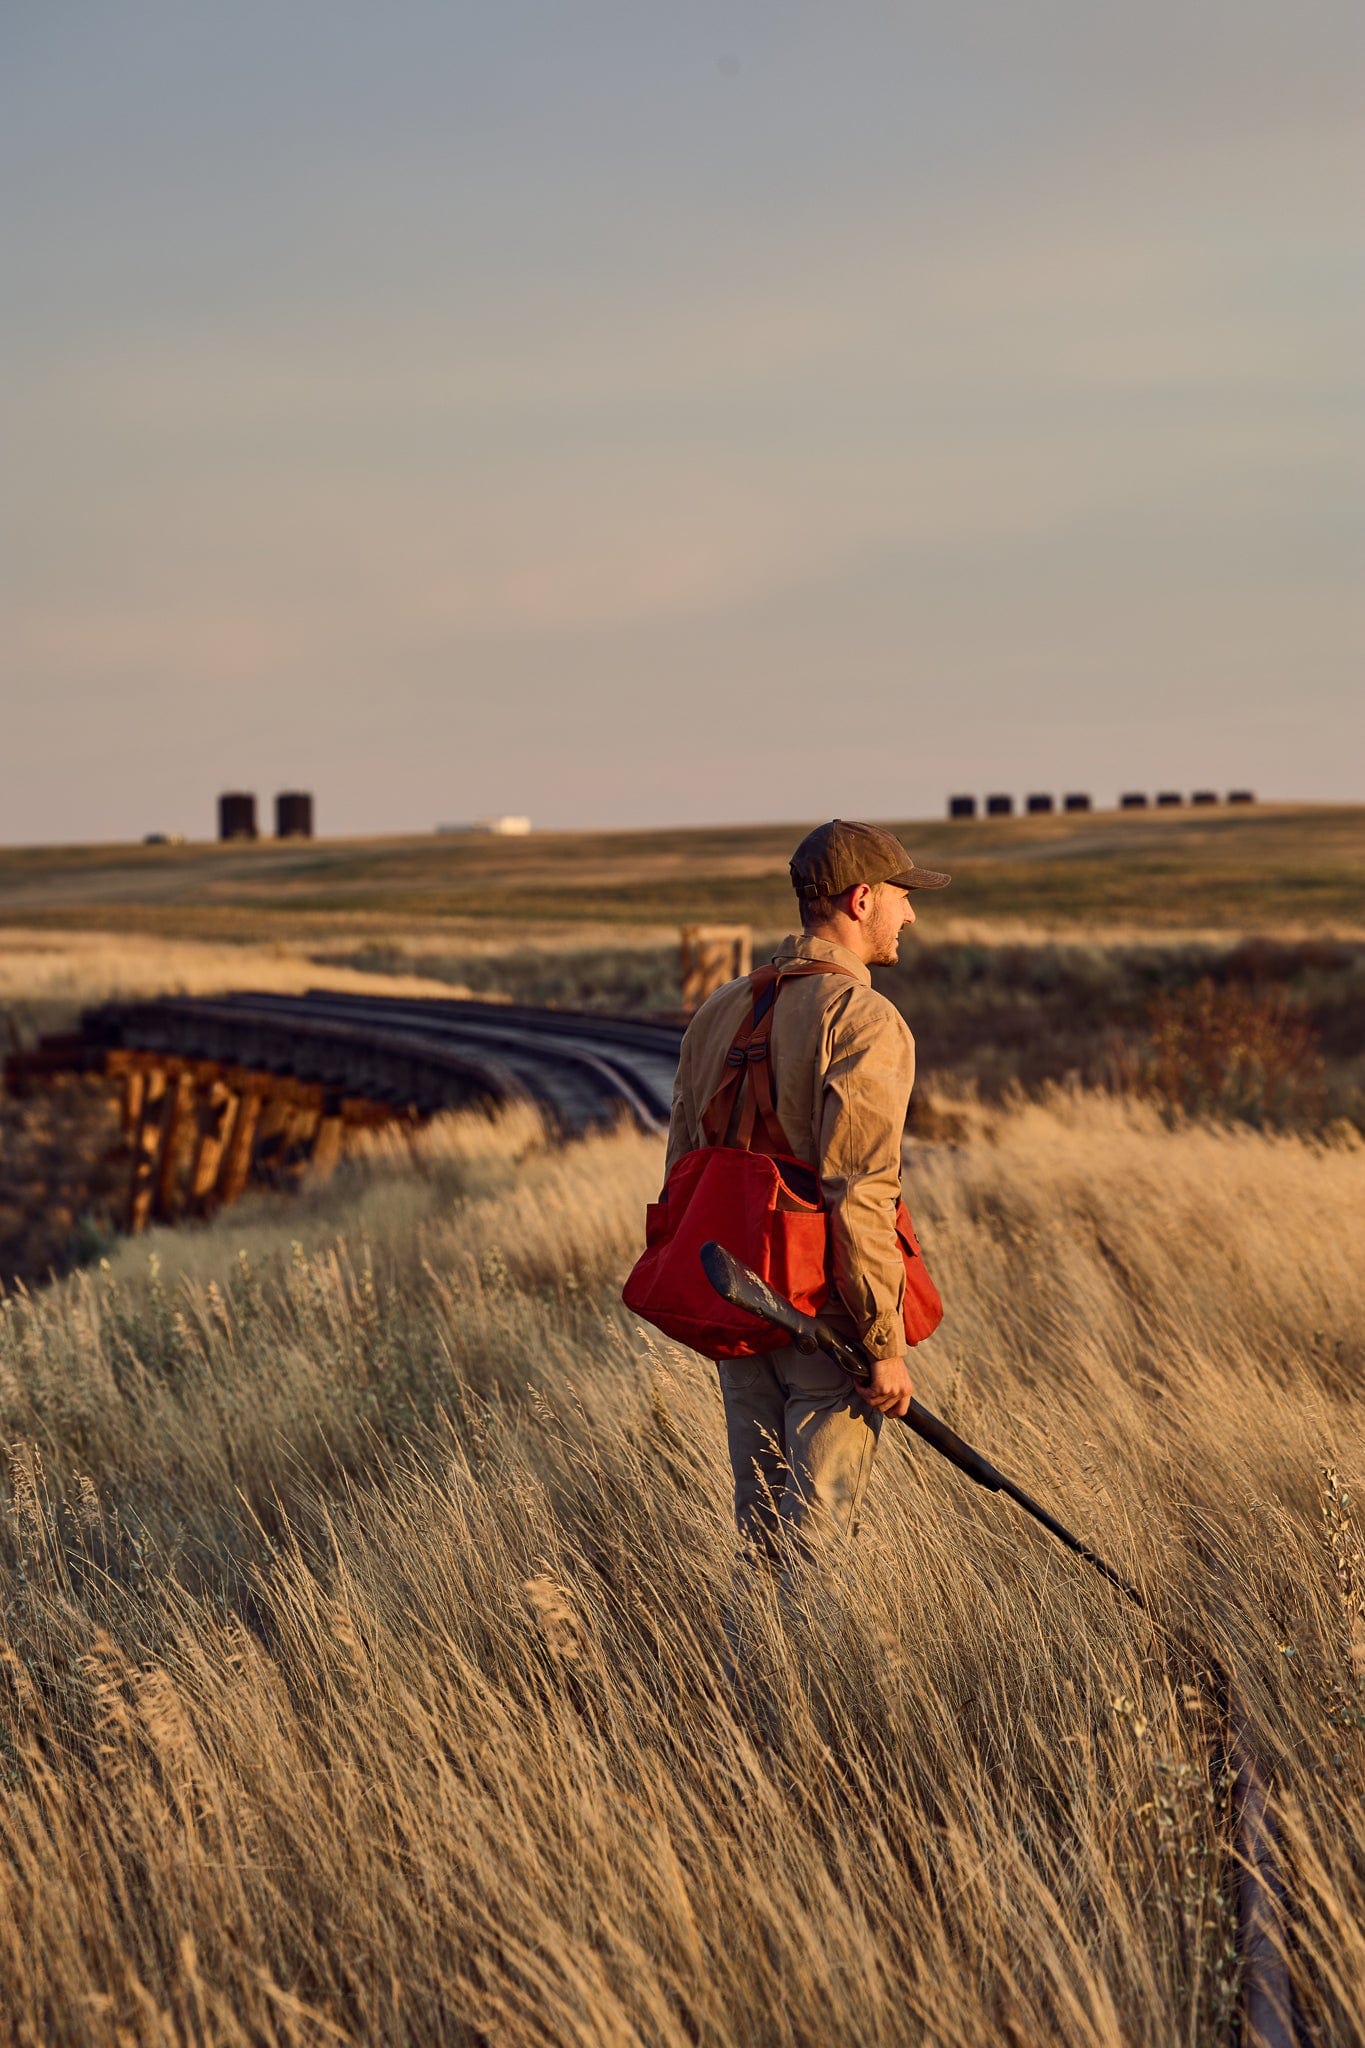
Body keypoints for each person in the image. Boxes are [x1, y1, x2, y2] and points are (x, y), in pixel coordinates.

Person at [664, 819, 949, 1564]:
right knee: (818, 1551)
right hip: (825, 1322)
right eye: (900, 896)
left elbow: (681, 1171)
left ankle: (746, 1678)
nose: (909, 914)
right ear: (860, 900)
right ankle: (808, 1684)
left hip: (737, 1303)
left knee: (758, 1544)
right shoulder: (864, 1020)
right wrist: (881, 1346)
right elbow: (860, 1194)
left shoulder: (717, 1011)